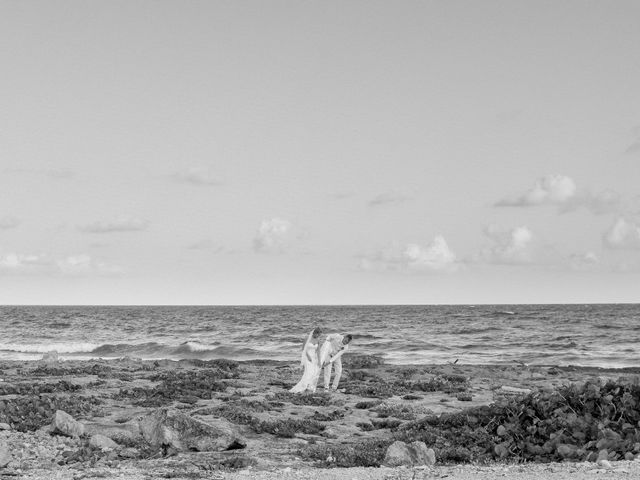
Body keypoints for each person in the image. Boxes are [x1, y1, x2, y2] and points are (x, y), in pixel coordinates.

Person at [290, 327, 322, 393]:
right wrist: (308, 356)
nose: (318, 336)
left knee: (313, 372)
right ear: (314, 333)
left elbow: (318, 351)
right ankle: (304, 386)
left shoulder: (318, 340)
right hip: (307, 357)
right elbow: (303, 349)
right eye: (317, 335)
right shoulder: (307, 338)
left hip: (314, 358)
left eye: (319, 335)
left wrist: (319, 361)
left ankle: (309, 386)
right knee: (308, 372)